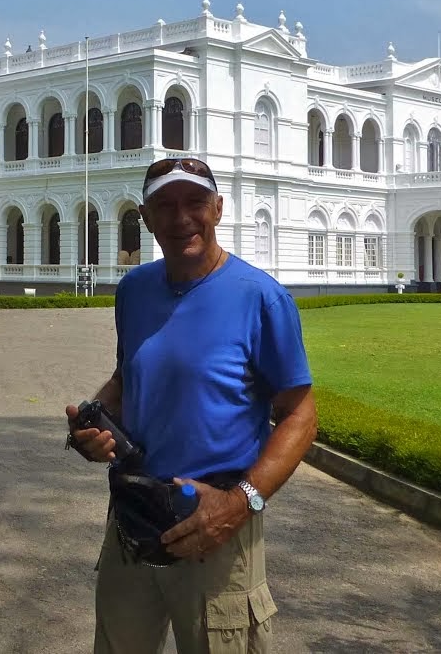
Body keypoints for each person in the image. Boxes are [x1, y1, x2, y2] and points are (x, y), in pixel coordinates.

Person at [66, 156, 316, 654]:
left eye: (195, 202)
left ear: (218, 209)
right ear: (145, 217)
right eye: (165, 206)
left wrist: (241, 502)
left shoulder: (261, 298)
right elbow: (125, 376)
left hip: (215, 523)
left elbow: (300, 415)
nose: (181, 218)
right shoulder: (135, 290)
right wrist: (95, 423)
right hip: (132, 517)